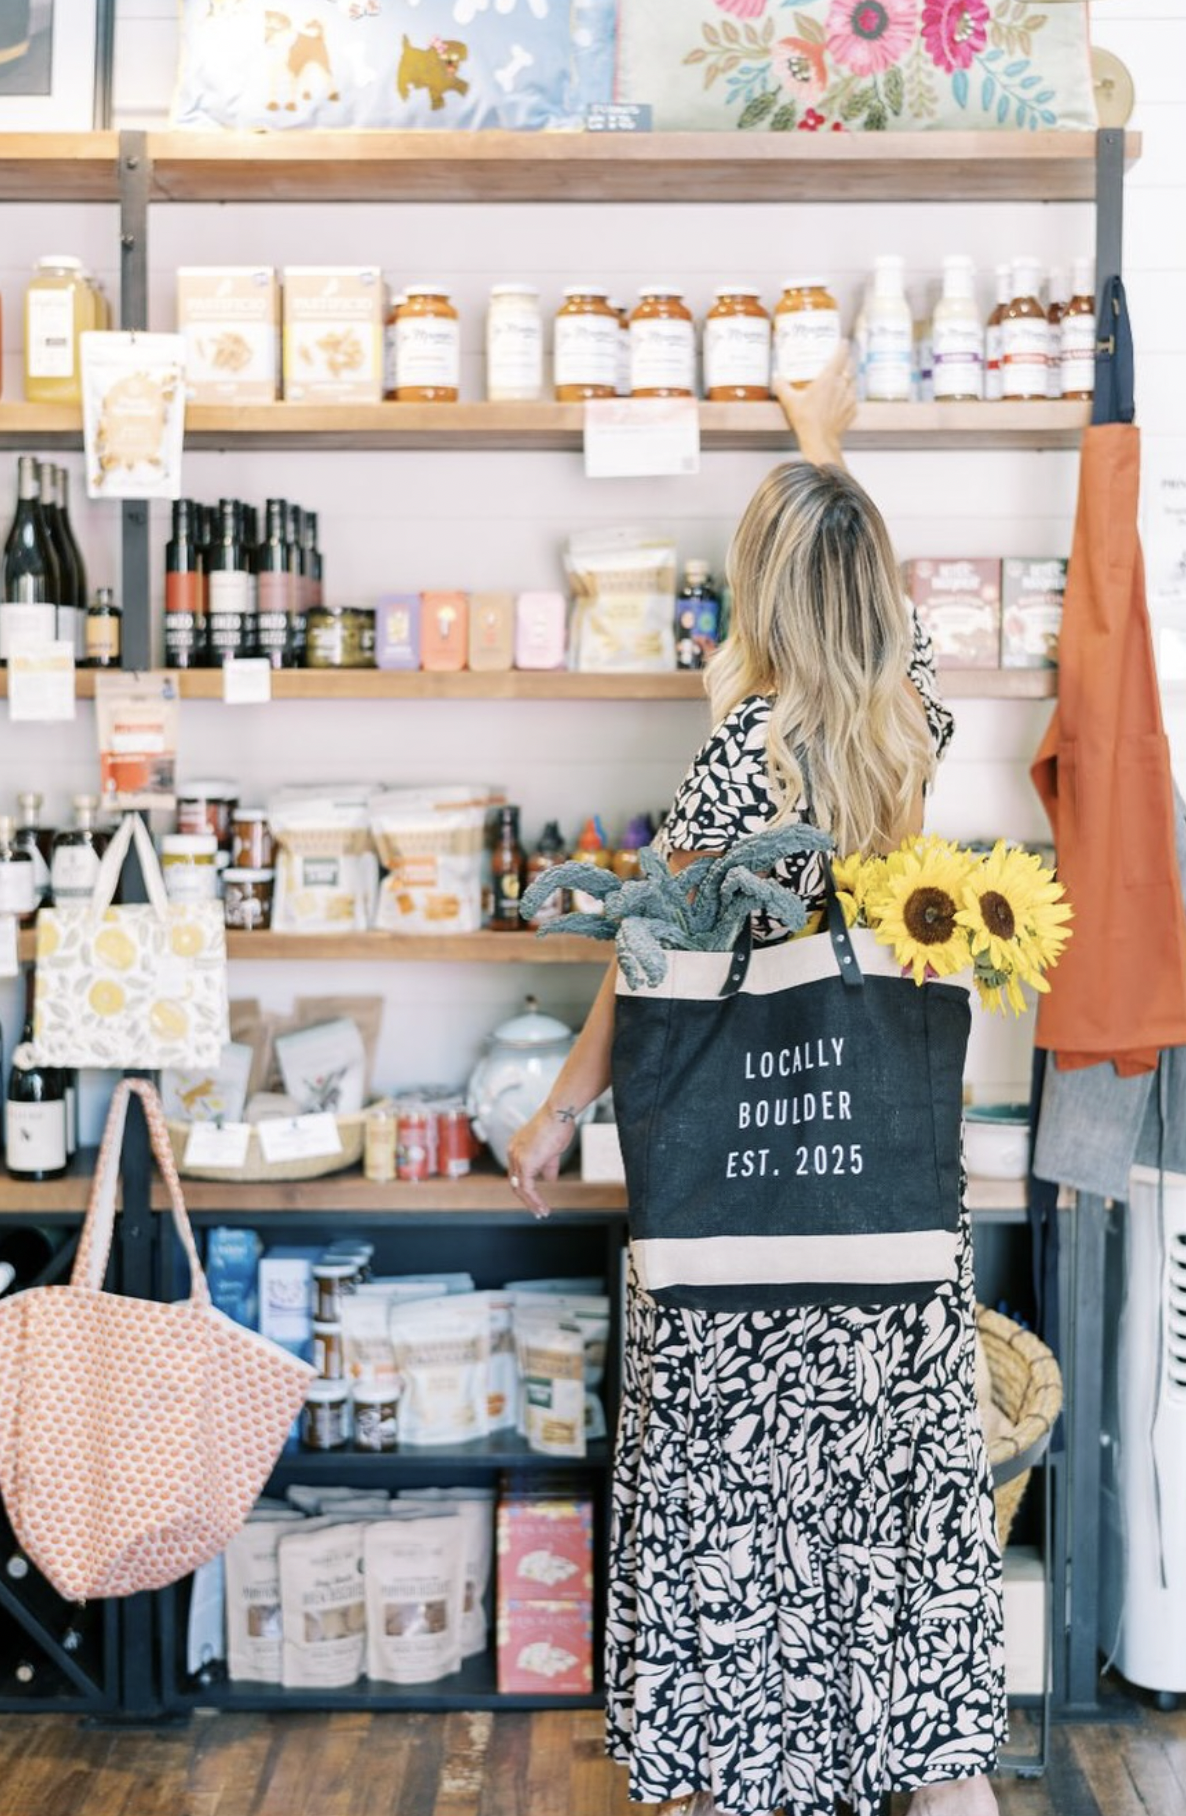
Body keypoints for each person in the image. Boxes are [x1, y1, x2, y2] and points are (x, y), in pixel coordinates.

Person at [507, 347, 1005, 1816]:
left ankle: (740, 1766)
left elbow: (653, 954)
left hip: (746, 1259)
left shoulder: (739, 760)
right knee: (899, 1577)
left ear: (767, 603)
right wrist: (824, 447)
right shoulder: (915, 728)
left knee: (735, 1572)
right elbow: (878, 621)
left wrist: (561, 1105)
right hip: (889, 1248)